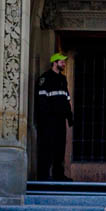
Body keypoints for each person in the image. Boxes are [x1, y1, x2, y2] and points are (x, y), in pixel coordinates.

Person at [36, 52, 74, 181]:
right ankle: (43, 175)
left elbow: (66, 97)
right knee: (47, 146)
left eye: (64, 61)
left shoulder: (63, 79)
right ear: (55, 62)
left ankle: (59, 174)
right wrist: (44, 119)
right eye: (61, 61)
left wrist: (69, 116)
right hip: (48, 120)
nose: (63, 63)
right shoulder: (45, 78)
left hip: (60, 119)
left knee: (60, 147)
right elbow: (41, 100)